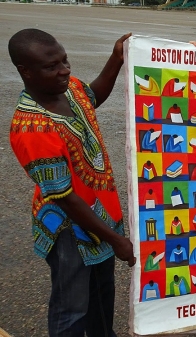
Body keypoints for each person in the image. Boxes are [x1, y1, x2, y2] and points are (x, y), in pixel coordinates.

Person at [8, 28, 135, 336]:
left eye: (65, 60)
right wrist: (117, 240)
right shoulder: (33, 128)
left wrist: (116, 58)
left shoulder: (69, 89)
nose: (64, 70)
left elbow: (92, 98)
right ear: (25, 71)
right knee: (72, 309)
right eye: (52, 66)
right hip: (70, 231)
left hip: (100, 218)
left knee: (102, 297)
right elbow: (65, 198)